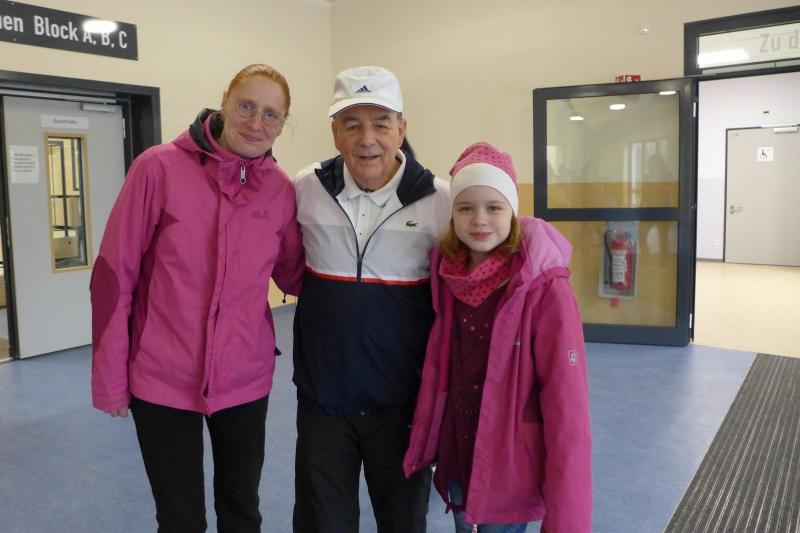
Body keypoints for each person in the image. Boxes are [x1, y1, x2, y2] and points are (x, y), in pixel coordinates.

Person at [90, 64, 304, 533]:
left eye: (271, 114)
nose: (256, 123)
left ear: (282, 124)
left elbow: (295, 274)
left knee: (242, 511)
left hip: (244, 378)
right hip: (161, 377)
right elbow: (113, 276)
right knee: (180, 518)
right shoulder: (158, 168)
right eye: (246, 106)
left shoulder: (281, 190)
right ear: (224, 101)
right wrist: (110, 376)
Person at [292, 66, 451, 532]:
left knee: (403, 522)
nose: (367, 139)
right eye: (352, 124)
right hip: (323, 400)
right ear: (334, 132)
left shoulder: (439, 200)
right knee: (323, 524)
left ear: (401, 129)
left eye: (381, 124)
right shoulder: (307, 188)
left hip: (402, 405)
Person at [403, 142, 592, 532]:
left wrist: (567, 520)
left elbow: (567, 402)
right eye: (465, 208)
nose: (479, 220)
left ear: (513, 212)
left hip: (511, 460)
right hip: (459, 446)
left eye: (494, 207)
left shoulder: (544, 287)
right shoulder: (446, 273)